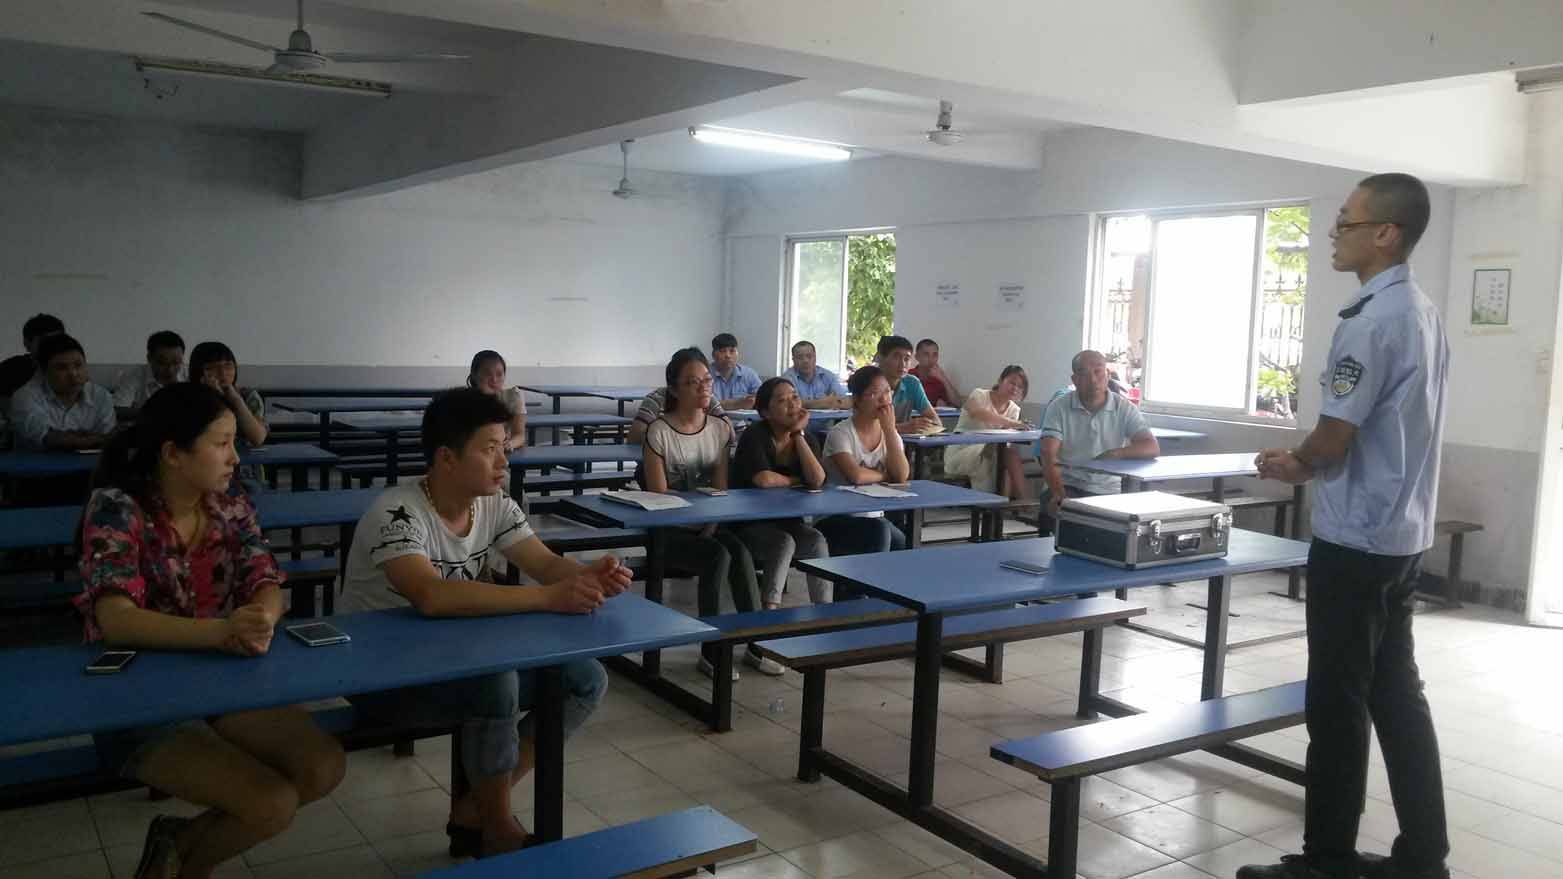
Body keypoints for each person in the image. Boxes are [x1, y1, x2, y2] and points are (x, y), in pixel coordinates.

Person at [1243, 174, 1450, 879]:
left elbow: (1334, 437)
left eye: (1346, 222)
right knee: (1397, 693)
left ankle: (1326, 861)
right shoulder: (1421, 312)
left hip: (1356, 538)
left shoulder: (1370, 320)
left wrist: (1293, 462)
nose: (1334, 233)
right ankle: (1422, 856)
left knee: (1336, 702)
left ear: (1385, 233)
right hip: (1402, 535)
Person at [342, 388, 629, 857]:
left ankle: (476, 807)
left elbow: (544, 564)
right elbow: (431, 596)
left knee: (584, 679)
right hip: (380, 675)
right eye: (490, 449)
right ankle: (496, 826)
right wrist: (546, 598)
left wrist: (588, 574)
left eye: (505, 447)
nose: (503, 461)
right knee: (496, 680)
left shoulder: (493, 503)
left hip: (452, 658)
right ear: (446, 458)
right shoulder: (396, 514)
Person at [74, 383, 345, 879]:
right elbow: (115, 618)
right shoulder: (118, 508)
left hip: (222, 679)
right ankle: (186, 863)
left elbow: (264, 577)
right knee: (270, 801)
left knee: (323, 765)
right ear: (173, 454)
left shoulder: (229, 503)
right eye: (222, 443)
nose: (235, 458)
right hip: (136, 695)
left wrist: (262, 618)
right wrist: (221, 632)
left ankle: (177, 847)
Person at [640, 347, 769, 679]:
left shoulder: (719, 429)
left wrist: (711, 523)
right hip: (669, 530)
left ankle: (757, 644)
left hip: (709, 523)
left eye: (707, 380)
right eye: (692, 382)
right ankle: (712, 653)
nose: (703, 387)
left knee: (740, 552)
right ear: (674, 390)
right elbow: (659, 496)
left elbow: (720, 490)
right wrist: (701, 521)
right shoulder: (658, 431)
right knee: (717, 556)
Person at [732, 377, 832, 616]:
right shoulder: (754, 435)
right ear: (766, 412)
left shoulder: (805, 438)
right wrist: (798, 480)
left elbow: (817, 479)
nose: (792, 404)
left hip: (789, 522)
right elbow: (764, 480)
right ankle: (770, 613)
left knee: (816, 540)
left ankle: (825, 613)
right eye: (782, 400)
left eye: (795, 397)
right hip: (748, 524)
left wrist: (797, 434)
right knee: (783, 542)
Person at [1037, 349, 1160, 517]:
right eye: (1084, 374)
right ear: (1075, 380)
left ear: (1107, 374)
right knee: (1060, 514)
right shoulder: (1059, 407)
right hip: (1067, 484)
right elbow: (1048, 453)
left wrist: (1117, 453)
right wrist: (1059, 494)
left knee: (1127, 521)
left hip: (1107, 490)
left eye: (1098, 371)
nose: (1093, 380)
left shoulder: (1124, 408)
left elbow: (1151, 446)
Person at [817, 365, 910, 573]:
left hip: (873, 516)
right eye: (874, 393)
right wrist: (886, 475)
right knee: (880, 531)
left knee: (904, 542)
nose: (884, 399)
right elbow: (856, 475)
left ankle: (882, 589)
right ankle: (864, 588)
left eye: (887, 392)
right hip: (836, 516)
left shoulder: (890, 434)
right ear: (857, 400)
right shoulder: (840, 433)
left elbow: (902, 476)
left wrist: (889, 429)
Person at [9, 333, 116, 450]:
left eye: (78, 365)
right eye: (62, 368)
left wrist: (96, 439)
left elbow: (109, 440)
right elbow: (48, 438)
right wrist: (89, 439)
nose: (73, 374)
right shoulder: (25, 397)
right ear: (43, 371)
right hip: (35, 462)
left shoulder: (101, 396)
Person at [944, 365, 1033, 498]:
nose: (1015, 388)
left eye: (1020, 386)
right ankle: (993, 503)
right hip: (961, 450)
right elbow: (977, 413)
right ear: (1000, 381)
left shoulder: (1014, 410)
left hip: (992, 453)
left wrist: (1018, 426)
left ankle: (1009, 503)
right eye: (1012, 383)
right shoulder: (979, 395)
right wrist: (1014, 423)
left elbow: (1005, 441)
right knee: (995, 455)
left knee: (1007, 454)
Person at [188, 343, 268, 488]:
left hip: (245, 473)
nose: (222, 373)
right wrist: (212, 397)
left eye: (228, 366)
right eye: (211, 368)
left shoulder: (248, 396)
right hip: (203, 472)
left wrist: (236, 400)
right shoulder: (187, 397)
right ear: (198, 372)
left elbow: (257, 438)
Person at [876, 335, 941, 434]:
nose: (902, 364)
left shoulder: (912, 383)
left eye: (907, 359)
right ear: (881, 358)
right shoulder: (869, 383)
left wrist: (925, 425)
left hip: (903, 441)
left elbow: (936, 422)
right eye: (896, 357)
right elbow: (863, 428)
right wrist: (902, 428)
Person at [114, 330, 186, 419]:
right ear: (149, 358)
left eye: (176, 363)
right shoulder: (134, 375)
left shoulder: (189, 375)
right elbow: (117, 409)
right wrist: (155, 414)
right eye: (162, 363)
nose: (170, 370)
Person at [468, 350, 527, 450]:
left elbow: (520, 436)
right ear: (474, 376)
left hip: (502, 451)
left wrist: (510, 444)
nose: (494, 380)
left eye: (499, 374)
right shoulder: (464, 400)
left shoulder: (513, 396)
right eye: (487, 374)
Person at [0, 313, 65, 398]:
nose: (52, 346)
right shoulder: (9, 370)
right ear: (27, 344)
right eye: (44, 341)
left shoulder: (73, 368)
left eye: (58, 340)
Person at [782, 340, 848, 409]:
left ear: (815, 358)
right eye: (800, 357)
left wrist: (836, 402)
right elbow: (788, 404)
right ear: (793, 360)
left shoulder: (828, 376)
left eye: (809, 356)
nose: (805, 361)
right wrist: (823, 403)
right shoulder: (786, 380)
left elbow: (845, 400)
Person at [709, 332, 762, 410]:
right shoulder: (705, 375)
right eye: (722, 351)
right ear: (713, 355)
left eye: (732, 351)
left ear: (738, 353)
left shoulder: (749, 374)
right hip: (713, 417)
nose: (728, 355)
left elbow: (762, 399)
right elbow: (704, 404)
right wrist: (737, 403)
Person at [911, 338, 961, 408]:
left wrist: (944, 379)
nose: (931, 359)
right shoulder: (908, 376)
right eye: (926, 354)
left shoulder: (939, 380)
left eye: (935, 355)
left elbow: (959, 404)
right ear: (917, 357)